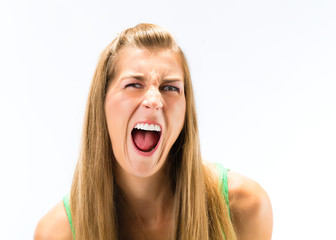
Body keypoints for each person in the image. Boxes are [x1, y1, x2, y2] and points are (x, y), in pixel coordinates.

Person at [34, 23, 273, 240]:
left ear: (185, 112)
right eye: (134, 84)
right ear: (102, 104)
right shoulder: (57, 233)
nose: (154, 100)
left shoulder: (244, 207)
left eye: (170, 87)